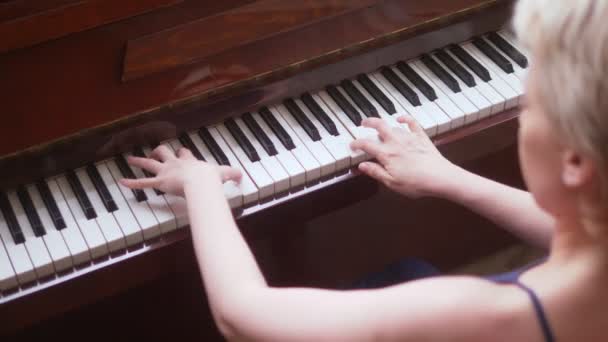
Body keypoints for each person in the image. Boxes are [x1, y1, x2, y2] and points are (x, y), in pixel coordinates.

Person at [120, 0, 608, 340]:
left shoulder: (478, 313)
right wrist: (453, 179)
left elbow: (242, 316)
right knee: (401, 273)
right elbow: (579, 229)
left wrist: (202, 188)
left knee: (400, 279)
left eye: (531, 103)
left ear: (575, 163)